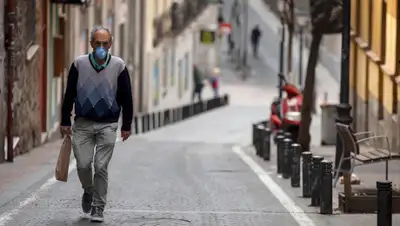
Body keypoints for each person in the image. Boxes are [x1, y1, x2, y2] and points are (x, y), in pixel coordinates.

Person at [60, 26, 133, 223]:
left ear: (110, 44)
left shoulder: (119, 66)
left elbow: (127, 97)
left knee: (100, 166)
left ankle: (98, 207)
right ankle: (88, 191)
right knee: (83, 165)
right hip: (83, 124)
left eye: (105, 43)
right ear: (91, 44)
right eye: (97, 43)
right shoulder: (79, 64)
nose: (101, 47)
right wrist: (65, 119)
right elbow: (69, 94)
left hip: (108, 125)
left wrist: (126, 125)